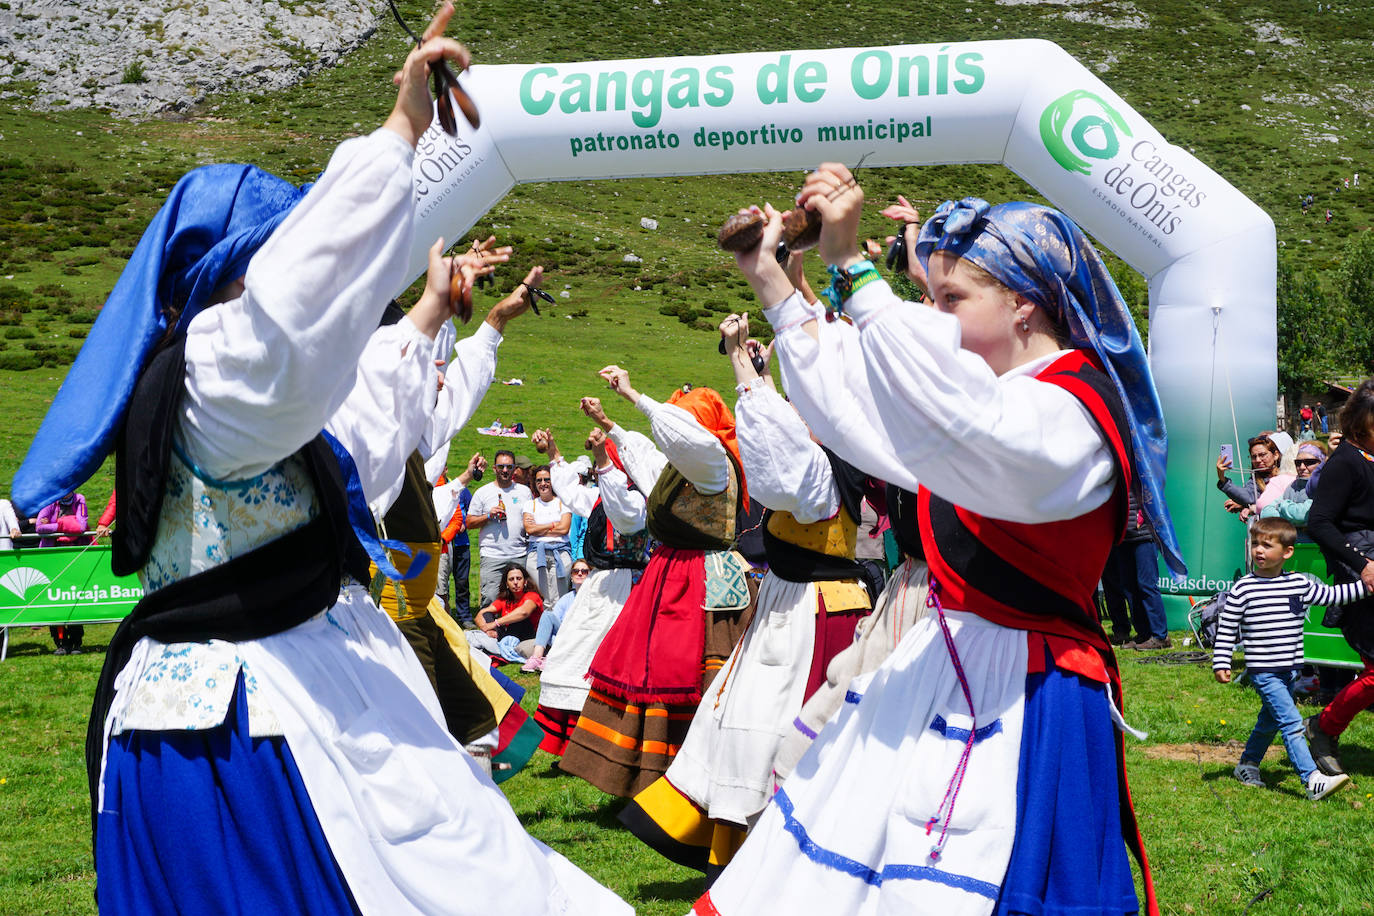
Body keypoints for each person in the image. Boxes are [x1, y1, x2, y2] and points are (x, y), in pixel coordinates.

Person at [10, 6, 629, 911]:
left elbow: (367, 432)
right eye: (271, 253)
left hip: (288, 686)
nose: (303, 275)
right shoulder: (213, 378)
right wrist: (401, 133)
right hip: (238, 729)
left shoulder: (246, 401)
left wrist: (437, 315)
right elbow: (294, 322)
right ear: (231, 274)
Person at [697, 169, 1190, 915]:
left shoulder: (1073, 408)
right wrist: (770, 278)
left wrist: (855, 269)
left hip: (1028, 687)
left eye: (952, 299)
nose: (937, 318)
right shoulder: (987, 402)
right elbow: (862, 412)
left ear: (1024, 301)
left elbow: (974, 428)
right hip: (951, 658)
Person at [621, 312, 874, 877]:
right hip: (789, 601)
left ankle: (782, 856)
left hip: (813, 610)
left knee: (771, 731)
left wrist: (744, 370)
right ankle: (744, 853)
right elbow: (781, 438)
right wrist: (759, 376)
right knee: (740, 725)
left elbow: (778, 464)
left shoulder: (821, 467)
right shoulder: (820, 452)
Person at [560, 368, 760, 799]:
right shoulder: (686, 468)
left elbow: (684, 439)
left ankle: (694, 775)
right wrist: (610, 425)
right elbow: (647, 458)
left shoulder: (711, 460)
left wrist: (634, 395)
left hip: (702, 581)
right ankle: (646, 775)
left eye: (683, 419)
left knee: (684, 672)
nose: (675, 430)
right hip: (672, 574)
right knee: (646, 670)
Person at [530, 405, 651, 756]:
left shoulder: (636, 502)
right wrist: (553, 453)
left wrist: (601, 457)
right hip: (601, 586)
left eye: (608, 467)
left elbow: (622, 511)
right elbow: (569, 487)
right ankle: (573, 737)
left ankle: (611, 737)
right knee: (573, 652)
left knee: (610, 660)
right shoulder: (601, 497)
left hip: (628, 588)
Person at [1212, 517, 1360, 800]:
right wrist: (1221, 661)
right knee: (1292, 723)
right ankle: (1312, 780)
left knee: (1269, 721)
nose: (1258, 550)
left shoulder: (1298, 583)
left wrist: (1365, 587)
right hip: (1264, 672)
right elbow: (1227, 626)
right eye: (1255, 543)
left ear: (1287, 552)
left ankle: (1247, 765)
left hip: (1289, 671)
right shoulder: (1243, 588)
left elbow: (1332, 595)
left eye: (1267, 545)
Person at [1304, 379, 1374, 777]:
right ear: (1362, 425)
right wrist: (1362, 563)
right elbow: (1319, 523)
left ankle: (1324, 727)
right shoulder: (1345, 462)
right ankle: (1323, 727)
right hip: (1361, 576)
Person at [1102, 481, 1171, 650]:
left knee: (1146, 585)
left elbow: (1153, 490)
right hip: (1122, 535)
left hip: (1143, 534)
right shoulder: (1114, 471)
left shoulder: (1141, 464)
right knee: (1129, 587)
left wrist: (1142, 516)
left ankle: (1161, 636)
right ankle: (1143, 634)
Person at [467, 448, 532, 607]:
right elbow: (469, 523)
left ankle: (516, 631)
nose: (505, 470)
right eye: (501, 466)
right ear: (494, 468)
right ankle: (490, 630)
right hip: (492, 554)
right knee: (490, 597)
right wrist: (488, 516)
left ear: (514, 468)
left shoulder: (524, 492)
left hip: (519, 553)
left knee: (519, 599)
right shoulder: (483, 492)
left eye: (509, 467)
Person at [36, 491, 91, 654]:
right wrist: (67, 524)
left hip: (75, 555)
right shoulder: (49, 500)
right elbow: (39, 527)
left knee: (74, 597)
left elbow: (81, 527)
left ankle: (76, 642)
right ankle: (60, 642)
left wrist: (56, 524)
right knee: (55, 597)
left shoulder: (80, 498)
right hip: (53, 556)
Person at [434, 451, 485, 626]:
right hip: (427, 548)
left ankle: (459, 619)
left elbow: (464, 515)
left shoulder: (456, 489)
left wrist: (444, 537)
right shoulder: (425, 486)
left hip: (453, 544)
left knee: (455, 584)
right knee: (436, 587)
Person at [522, 558, 591, 672]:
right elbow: (552, 623)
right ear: (572, 577)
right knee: (547, 615)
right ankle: (536, 658)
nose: (579, 573)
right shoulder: (566, 599)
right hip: (563, 636)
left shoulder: (593, 598)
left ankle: (552, 658)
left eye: (584, 571)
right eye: (575, 571)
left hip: (581, 636)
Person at [466, 562, 545, 662]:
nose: (515, 582)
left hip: (528, 636)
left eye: (519, 578)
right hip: (507, 634)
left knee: (518, 619)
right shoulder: (504, 600)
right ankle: (496, 643)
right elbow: (481, 614)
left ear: (525, 582)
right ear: (507, 584)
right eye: (511, 579)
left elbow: (524, 612)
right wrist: (487, 629)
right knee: (487, 614)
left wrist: (495, 623)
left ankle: (499, 647)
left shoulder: (533, 596)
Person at [524, 463, 573, 602]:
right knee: (542, 597)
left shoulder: (563, 503)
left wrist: (538, 528)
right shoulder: (530, 504)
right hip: (536, 554)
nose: (543, 483)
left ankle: (559, 623)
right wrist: (553, 524)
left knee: (560, 596)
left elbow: (564, 528)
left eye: (547, 479)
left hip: (561, 553)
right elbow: (529, 529)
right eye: (539, 480)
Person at [1258, 441, 1327, 527]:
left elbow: (1302, 515)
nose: (1302, 467)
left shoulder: (1326, 486)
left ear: (1322, 463)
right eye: (1298, 463)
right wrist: (1293, 517)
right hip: (1290, 538)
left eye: (1309, 462)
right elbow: (1266, 512)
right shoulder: (1292, 486)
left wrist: (1280, 506)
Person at [1216, 434, 1280, 515]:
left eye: (1262, 455)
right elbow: (1248, 497)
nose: (1258, 460)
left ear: (1276, 455)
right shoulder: (1255, 480)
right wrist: (1222, 478)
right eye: (1253, 456)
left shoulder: (1288, 474)